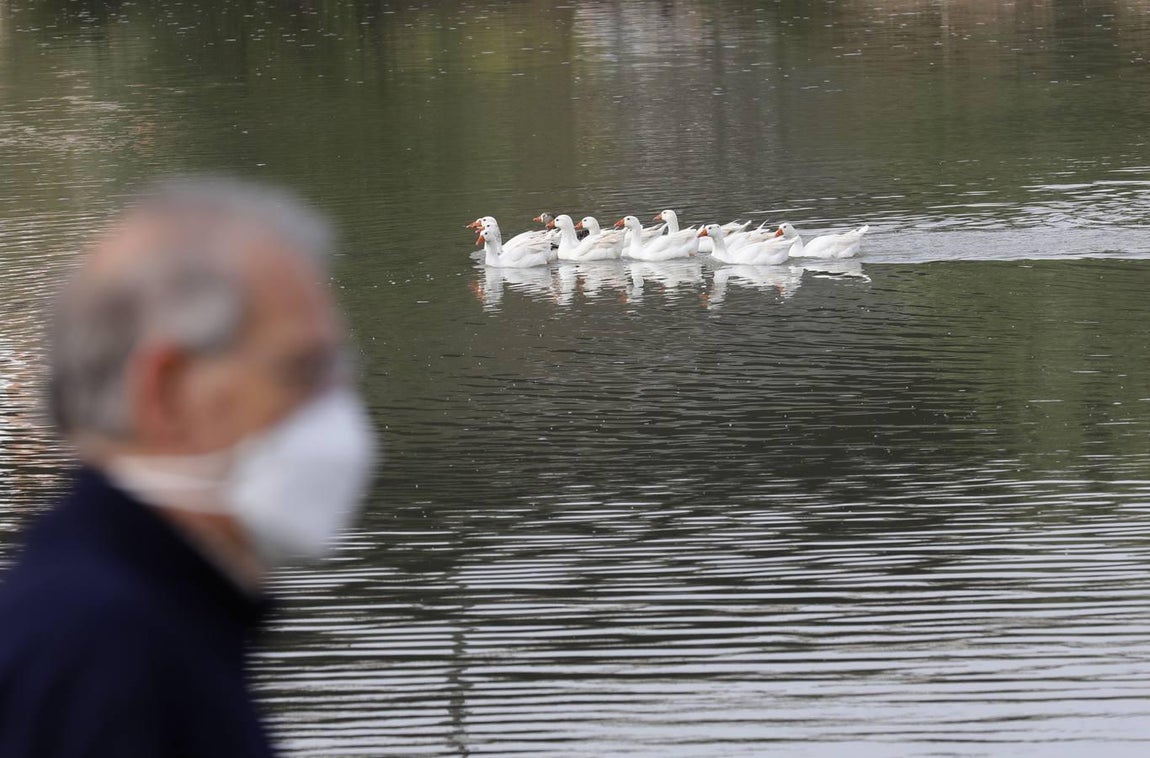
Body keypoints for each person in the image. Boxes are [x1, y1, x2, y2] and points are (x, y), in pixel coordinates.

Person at [0, 178, 378, 757]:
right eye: (303, 370)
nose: (339, 409)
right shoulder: (101, 650)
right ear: (167, 391)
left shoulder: (155, 611)